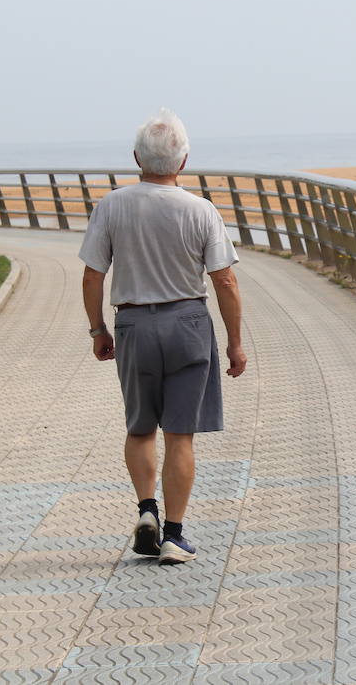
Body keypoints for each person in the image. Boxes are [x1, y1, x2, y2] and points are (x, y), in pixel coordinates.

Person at [79, 109, 247, 565]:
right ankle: (174, 534)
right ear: (184, 161)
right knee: (180, 434)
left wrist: (98, 329)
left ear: (136, 157)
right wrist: (234, 343)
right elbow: (225, 281)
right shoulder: (201, 210)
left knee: (140, 428)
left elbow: (93, 276)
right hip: (188, 324)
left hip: (134, 324)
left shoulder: (112, 205)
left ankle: (146, 509)